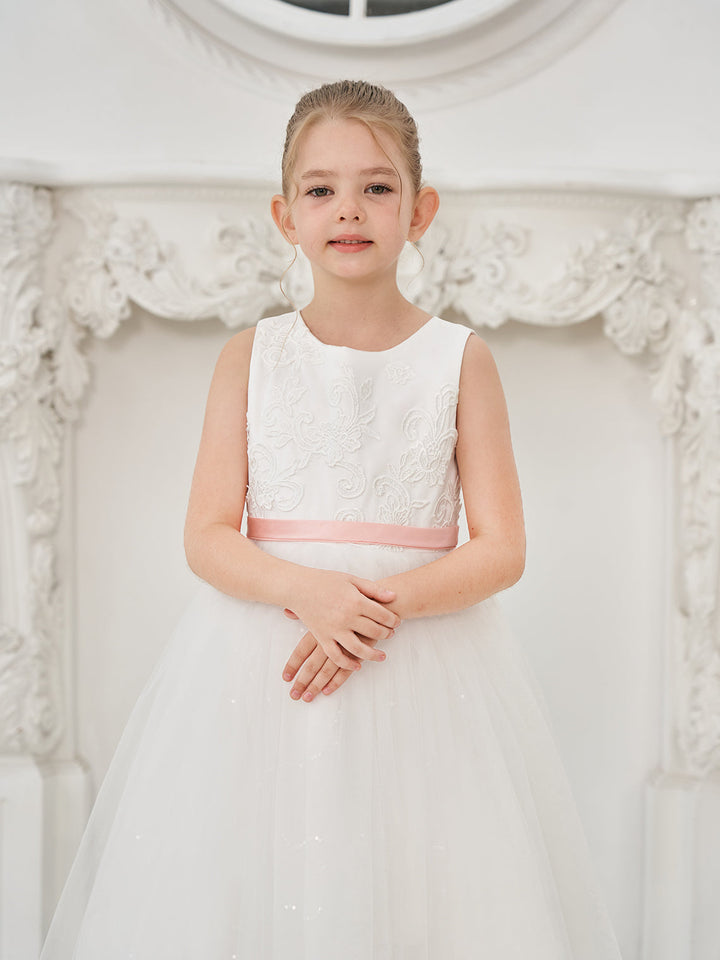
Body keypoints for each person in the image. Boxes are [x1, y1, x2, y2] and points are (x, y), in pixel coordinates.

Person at [40, 79, 623, 959]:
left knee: (425, 883)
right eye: (320, 189)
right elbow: (206, 533)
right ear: (286, 215)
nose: (348, 208)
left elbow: (502, 550)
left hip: (421, 664)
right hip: (262, 662)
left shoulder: (460, 358)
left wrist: (368, 611)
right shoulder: (253, 356)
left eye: (377, 187)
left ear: (419, 209)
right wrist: (309, 593)